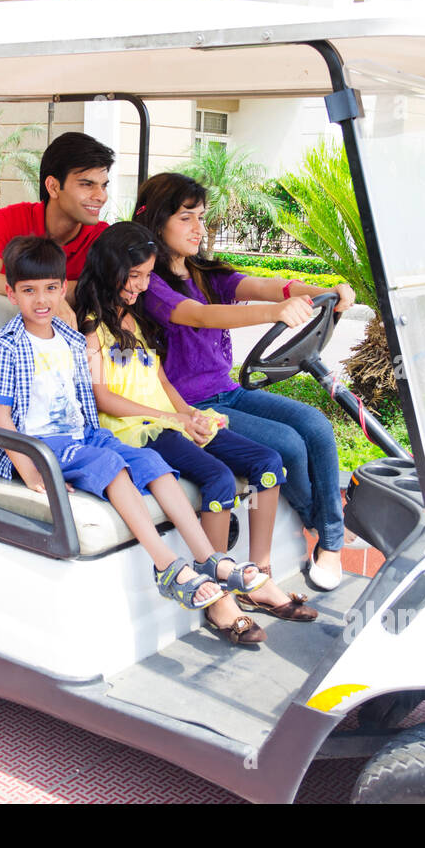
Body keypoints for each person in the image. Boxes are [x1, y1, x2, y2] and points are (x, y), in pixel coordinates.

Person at [0, 234, 269, 644]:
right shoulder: (6, 347)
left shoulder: (69, 339)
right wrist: (30, 471)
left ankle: (210, 559)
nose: (40, 300)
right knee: (111, 466)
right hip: (42, 446)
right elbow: (1, 418)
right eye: (28, 291)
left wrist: (177, 416)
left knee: (152, 465)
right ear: (11, 293)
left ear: (63, 289)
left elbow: (87, 403)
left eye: (49, 289)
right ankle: (167, 565)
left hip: (84, 435)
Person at [74, 222, 318, 622]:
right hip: (135, 430)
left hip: (170, 419)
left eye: (147, 276)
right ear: (108, 268)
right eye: (132, 276)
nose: (139, 285)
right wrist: (172, 418)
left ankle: (258, 577)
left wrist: (188, 415)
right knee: (219, 477)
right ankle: (220, 594)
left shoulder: (135, 320)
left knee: (269, 462)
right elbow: (103, 397)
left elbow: (161, 380)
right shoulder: (89, 324)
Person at [133, 173, 356, 590]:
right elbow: (200, 316)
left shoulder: (204, 273)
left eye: (201, 216)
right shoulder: (151, 286)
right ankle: (322, 528)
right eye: (186, 218)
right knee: (287, 443)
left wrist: (322, 290)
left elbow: (266, 286)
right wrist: (274, 313)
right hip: (190, 407)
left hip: (229, 392)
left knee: (316, 426)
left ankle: (330, 542)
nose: (199, 227)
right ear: (158, 221)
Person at [0, 131, 115, 323]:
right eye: (87, 184)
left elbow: (108, 291)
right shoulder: (9, 219)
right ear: (53, 187)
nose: (101, 196)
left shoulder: (104, 237)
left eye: (103, 186)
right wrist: (49, 296)